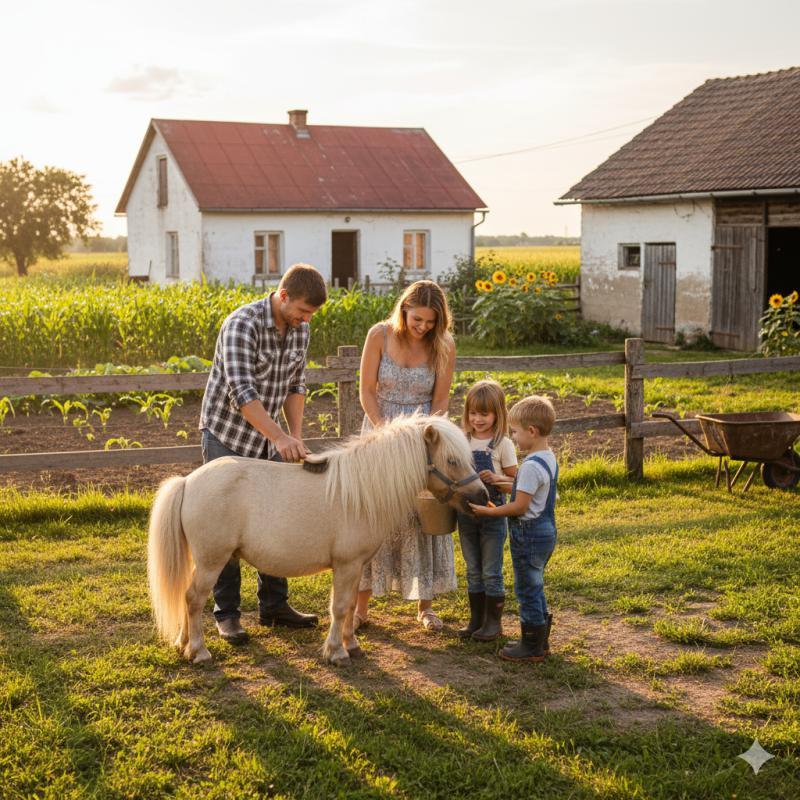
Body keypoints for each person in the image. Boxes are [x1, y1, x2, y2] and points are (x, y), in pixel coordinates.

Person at [199, 263, 328, 645]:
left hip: (270, 437)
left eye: (311, 315)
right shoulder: (242, 325)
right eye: (303, 311)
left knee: (277, 517)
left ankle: (274, 606)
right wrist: (279, 437)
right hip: (227, 433)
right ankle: (228, 614)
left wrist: (295, 436)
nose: (306, 320)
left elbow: (296, 384)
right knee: (225, 524)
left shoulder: (300, 329)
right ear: (283, 295)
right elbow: (243, 395)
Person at [355, 280, 457, 631]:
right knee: (372, 517)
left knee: (422, 516)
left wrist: (426, 439)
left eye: (430, 322)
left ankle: (424, 606)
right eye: (417, 320)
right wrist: (386, 432)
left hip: (422, 439)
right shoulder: (379, 336)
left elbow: (440, 401)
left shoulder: (444, 345)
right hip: (380, 433)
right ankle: (360, 606)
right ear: (404, 310)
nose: (423, 327)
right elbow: (366, 391)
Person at [470, 395, 558, 662]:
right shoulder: (547, 457)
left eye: (516, 432)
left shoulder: (530, 465)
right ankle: (540, 640)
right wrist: (501, 481)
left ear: (532, 431)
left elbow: (520, 506)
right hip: (546, 532)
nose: (515, 438)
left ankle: (530, 646)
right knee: (536, 584)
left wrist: (492, 511)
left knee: (527, 589)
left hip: (528, 535)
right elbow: (527, 490)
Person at [456, 380, 517, 642]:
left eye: (484, 414)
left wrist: (495, 478)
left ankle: (493, 624)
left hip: (493, 516)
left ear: (497, 414)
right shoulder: (461, 442)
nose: (477, 419)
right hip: (466, 515)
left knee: (491, 570)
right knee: (472, 569)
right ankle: (476, 621)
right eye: (473, 413)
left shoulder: (502, 444)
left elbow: (516, 484)